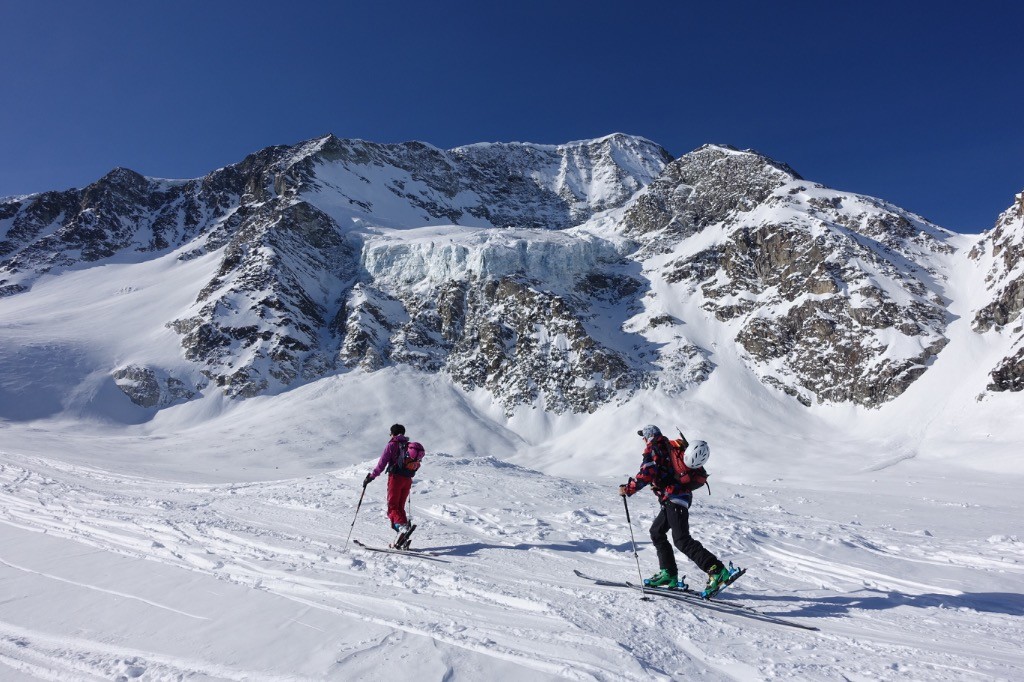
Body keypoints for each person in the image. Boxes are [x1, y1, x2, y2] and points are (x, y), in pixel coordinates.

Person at [619, 424, 732, 595]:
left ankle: (717, 570)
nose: (643, 439)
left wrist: (629, 489)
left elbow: (646, 472)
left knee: (681, 540)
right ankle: (669, 574)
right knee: (657, 532)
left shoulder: (653, 448)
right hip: (674, 498)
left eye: (644, 436)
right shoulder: (668, 446)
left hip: (675, 498)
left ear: (648, 437)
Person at [363, 423, 417, 538]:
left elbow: (382, 463)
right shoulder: (409, 446)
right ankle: (404, 530)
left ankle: (402, 528)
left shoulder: (392, 445)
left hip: (396, 479)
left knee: (392, 507)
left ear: (392, 434)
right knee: (400, 507)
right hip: (407, 479)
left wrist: (372, 477)